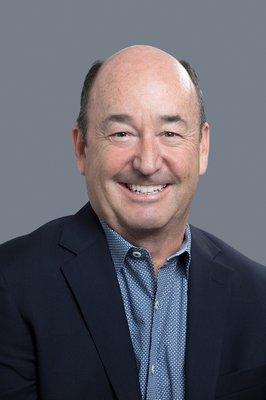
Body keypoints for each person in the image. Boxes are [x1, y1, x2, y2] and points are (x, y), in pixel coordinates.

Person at [0, 45, 266, 400]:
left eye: (170, 133)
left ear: (202, 147)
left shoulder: (258, 296)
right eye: (121, 133)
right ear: (82, 148)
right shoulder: (12, 283)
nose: (147, 162)